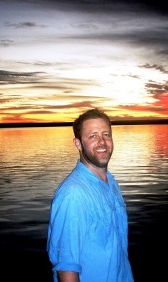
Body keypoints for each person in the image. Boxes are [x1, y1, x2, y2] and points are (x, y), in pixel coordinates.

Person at [47, 108, 134, 282]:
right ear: (78, 143)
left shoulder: (111, 183)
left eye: (106, 135)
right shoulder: (73, 195)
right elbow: (67, 268)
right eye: (92, 136)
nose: (102, 142)